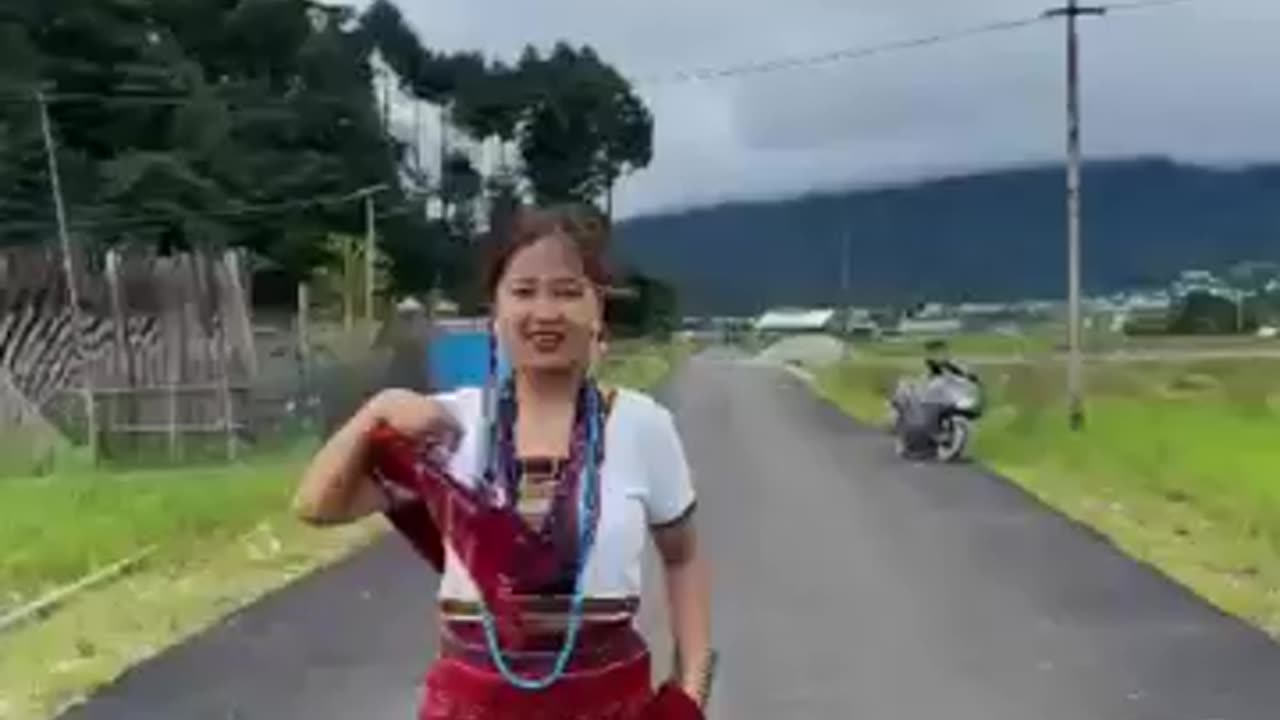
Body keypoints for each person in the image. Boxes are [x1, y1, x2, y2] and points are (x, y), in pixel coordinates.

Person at [292, 204, 713, 720]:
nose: (545, 312)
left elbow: (683, 557)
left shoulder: (641, 427)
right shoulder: (448, 426)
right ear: (495, 310)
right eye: (523, 291)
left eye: (566, 291)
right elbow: (316, 506)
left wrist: (691, 689)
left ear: (598, 308)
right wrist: (373, 413)